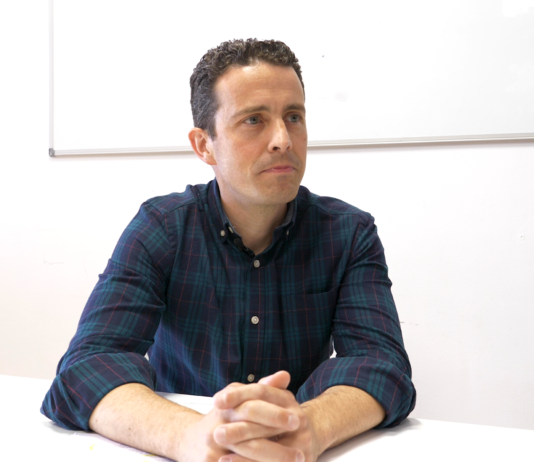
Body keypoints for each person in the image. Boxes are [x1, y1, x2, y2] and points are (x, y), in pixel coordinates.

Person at [41, 39, 416, 462]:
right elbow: (87, 367)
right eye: (254, 120)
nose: (283, 140)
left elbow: (381, 365)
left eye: (294, 117)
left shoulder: (348, 233)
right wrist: (189, 435)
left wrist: (310, 426)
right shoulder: (161, 227)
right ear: (204, 145)